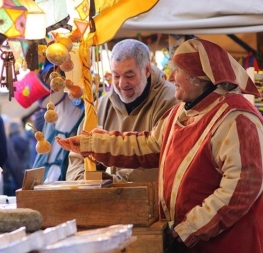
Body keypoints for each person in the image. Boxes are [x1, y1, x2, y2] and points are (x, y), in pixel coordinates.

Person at [56, 38, 263, 253]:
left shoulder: (237, 118)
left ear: (198, 78)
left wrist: (188, 230)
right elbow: (146, 145)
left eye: (177, 71)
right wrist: (93, 143)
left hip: (226, 245)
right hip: (187, 241)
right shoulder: (180, 112)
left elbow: (240, 189)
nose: (171, 77)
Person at [66, 38, 178, 182]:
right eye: (116, 76)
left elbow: (163, 161)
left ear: (147, 70)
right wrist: (84, 183)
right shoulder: (100, 106)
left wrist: (113, 184)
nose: (122, 83)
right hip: (106, 198)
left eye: (129, 76)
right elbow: (77, 161)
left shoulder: (171, 101)